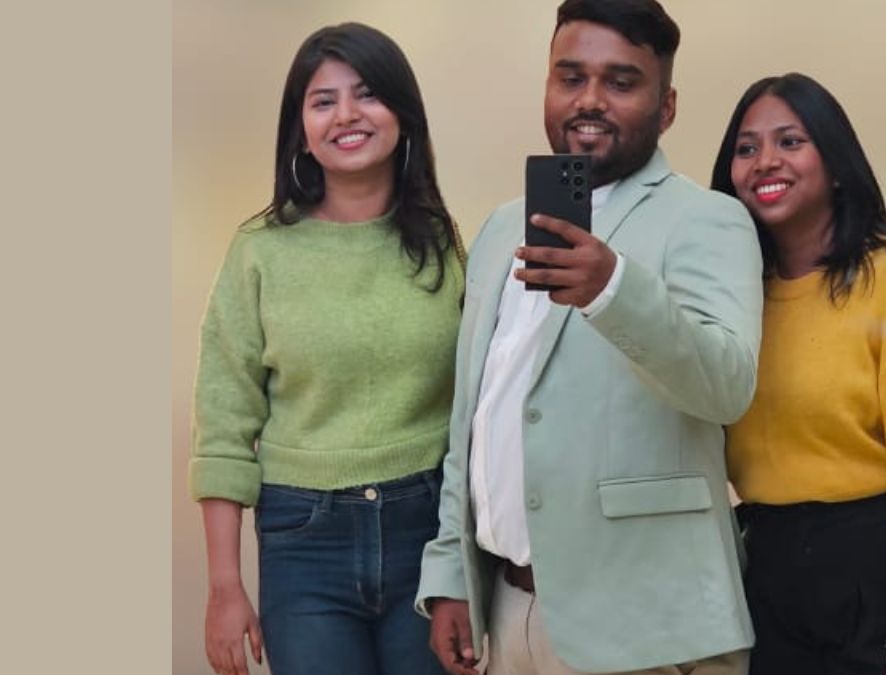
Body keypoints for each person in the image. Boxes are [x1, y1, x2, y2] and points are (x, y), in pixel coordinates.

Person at [414, 1, 764, 674]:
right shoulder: (500, 229)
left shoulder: (707, 220)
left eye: (621, 82)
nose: (590, 100)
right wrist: (451, 571)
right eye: (570, 77)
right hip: (505, 610)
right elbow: (474, 417)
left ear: (666, 108)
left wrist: (613, 290)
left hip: (644, 625)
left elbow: (726, 387)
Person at [188, 22, 464, 675]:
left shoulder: (441, 242)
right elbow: (225, 426)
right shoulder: (259, 252)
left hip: (426, 530)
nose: (346, 115)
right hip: (303, 541)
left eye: (367, 93)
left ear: (403, 113)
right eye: (323, 101)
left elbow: (475, 409)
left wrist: (463, 560)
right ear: (301, 130)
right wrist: (225, 587)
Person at [710, 72, 886, 675]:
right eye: (746, 148)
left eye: (790, 141)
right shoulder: (735, 299)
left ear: (836, 165)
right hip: (772, 575)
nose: (765, 161)